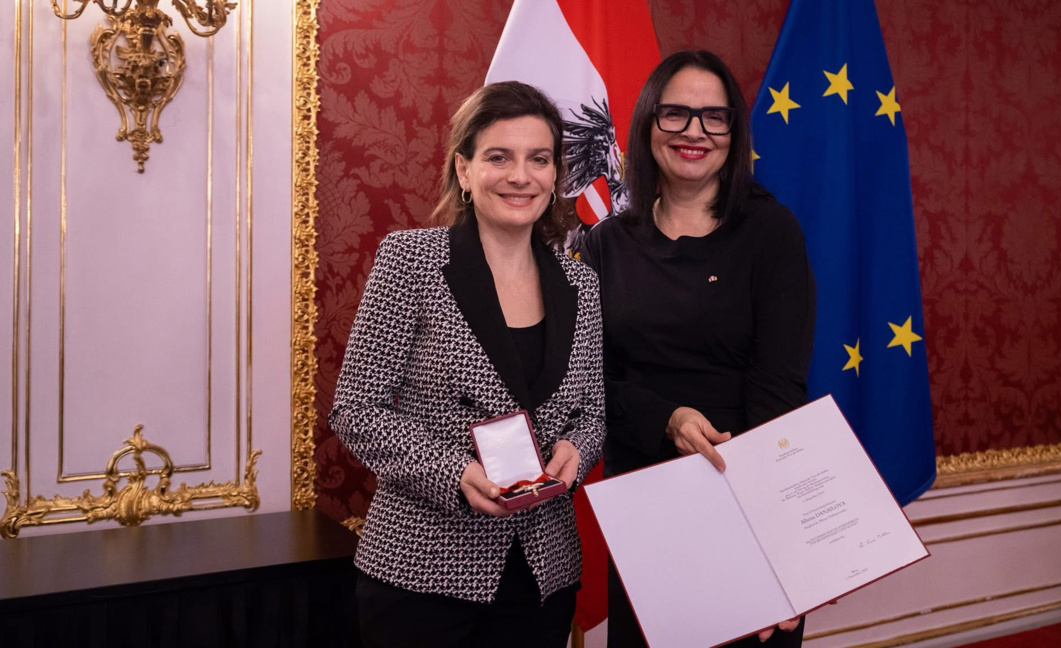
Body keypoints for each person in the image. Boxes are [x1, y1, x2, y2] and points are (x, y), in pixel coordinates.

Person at [330, 81, 605, 648]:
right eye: (499, 157)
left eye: (539, 159)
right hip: (423, 569)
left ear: (556, 175)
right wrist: (452, 473)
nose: (520, 176)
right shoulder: (410, 261)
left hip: (542, 572)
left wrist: (577, 451)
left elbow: (594, 414)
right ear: (464, 169)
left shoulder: (581, 282)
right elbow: (356, 410)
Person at [580, 50, 815, 647]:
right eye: (676, 114)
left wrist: (772, 537)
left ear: (734, 133)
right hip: (644, 497)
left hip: (749, 494)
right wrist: (669, 418)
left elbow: (780, 385)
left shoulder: (772, 232)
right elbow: (588, 383)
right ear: (647, 123)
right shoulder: (607, 242)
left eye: (714, 116)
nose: (695, 132)